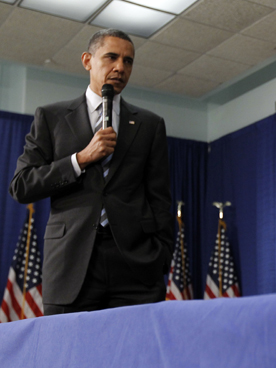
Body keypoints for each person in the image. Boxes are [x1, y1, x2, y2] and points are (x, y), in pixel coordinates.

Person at [10, 29, 173, 314]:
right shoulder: (51, 118)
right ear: (87, 60)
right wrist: (80, 159)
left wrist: (161, 255)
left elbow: (159, 198)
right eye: (111, 57)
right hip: (70, 264)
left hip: (136, 266)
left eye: (128, 61)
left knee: (134, 357)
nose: (120, 67)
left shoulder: (150, 124)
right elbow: (22, 186)